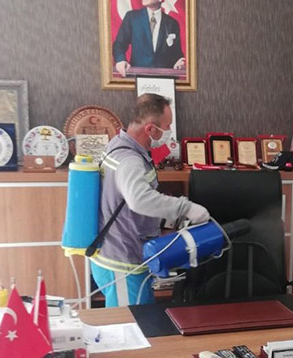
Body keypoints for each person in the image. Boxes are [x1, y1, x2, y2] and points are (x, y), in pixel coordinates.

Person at [90, 93, 209, 307]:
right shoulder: (129, 160)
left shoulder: (119, 144)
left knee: (142, 317)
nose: (169, 131)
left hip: (123, 255)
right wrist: (186, 208)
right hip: (122, 262)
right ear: (151, 129)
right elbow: (139, 199)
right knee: (129, 323)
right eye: (167, 126)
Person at [113, 0, 186, 77]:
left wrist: (179, 61)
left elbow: (176, 54)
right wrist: (120, 60)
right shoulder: (132, 17)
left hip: (163, 79)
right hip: (136, 77)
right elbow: (119, 44)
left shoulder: (172, 23)